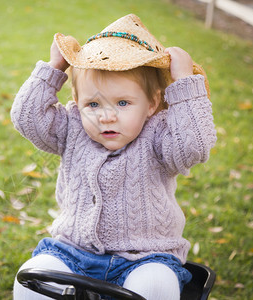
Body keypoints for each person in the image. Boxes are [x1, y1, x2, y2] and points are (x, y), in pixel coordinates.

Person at [11, 14, 216, 300]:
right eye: (93, 103)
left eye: (123, 103)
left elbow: (194, 146)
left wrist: (184, 83)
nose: (107, 116)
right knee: (31, 279)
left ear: (151, 104)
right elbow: (27, 118)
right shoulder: (71, 127)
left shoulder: (160, 136)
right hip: (72, 251)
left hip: (146, 256)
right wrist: (53, 68)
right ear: (77, 102)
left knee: (156, 287)